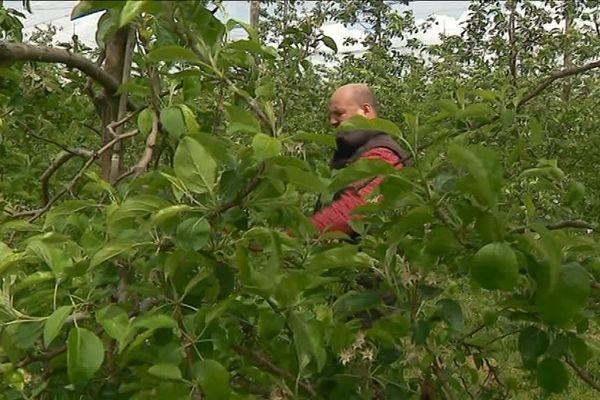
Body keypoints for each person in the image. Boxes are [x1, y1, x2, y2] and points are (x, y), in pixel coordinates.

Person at [311, 83, 411, 235]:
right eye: (331, 115)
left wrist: (294, 236)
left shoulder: (383, 154)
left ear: (365, 110)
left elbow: (352, 212)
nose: (332, 121)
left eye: (339, 113)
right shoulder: (353, 153)